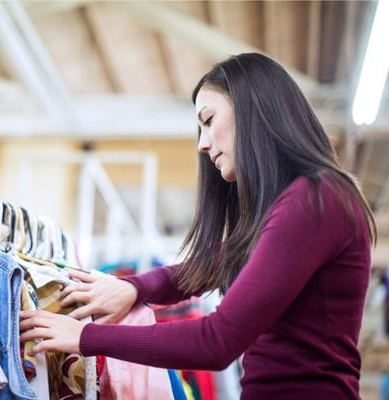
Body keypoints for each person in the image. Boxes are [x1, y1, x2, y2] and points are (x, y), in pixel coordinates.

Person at [19, 53, 377, 398]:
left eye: (208, 120)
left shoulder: (315, 198)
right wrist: (134, 289)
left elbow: (217, 341)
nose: (202, 145)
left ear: (253, 110)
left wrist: (85, 337)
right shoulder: (301, 204)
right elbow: (208, 266)